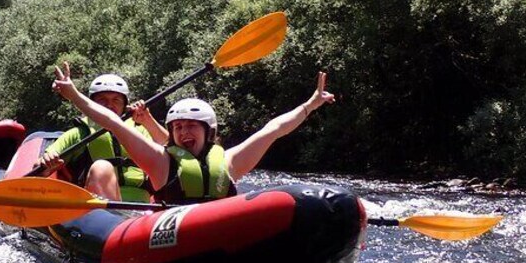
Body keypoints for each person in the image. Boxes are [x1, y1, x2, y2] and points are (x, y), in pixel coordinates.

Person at [51, 62, 336, 204]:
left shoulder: (228, 163)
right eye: (177, 127)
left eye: (191, 126)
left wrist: (310, 106)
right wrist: (74, 94)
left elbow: (273, 129)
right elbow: (111, 122)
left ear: (209, 132)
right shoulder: (161, 162)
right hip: (163, 233)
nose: (183, 132)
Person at [36, 73, 168, 202]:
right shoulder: (79, 133)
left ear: (125, 105)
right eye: (102, 100)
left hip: (143, 209)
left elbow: (173, 151)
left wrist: (148, 120)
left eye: (116, 100)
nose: (109, 105)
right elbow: (39, 168)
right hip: (99, 208)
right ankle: (113, 216)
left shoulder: (140, 130)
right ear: (91, 104)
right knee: (102, 167)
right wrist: (46, 162)